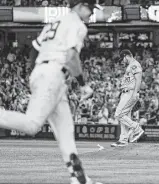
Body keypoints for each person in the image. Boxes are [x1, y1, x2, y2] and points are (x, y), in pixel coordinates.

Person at [0, 1, 104, 184]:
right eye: (90, 9)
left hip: (47, 74)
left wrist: (38, 73)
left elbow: (34, 49)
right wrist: (82, 84)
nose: (91, 14)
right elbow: (71, 57)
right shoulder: (77, 25)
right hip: (53, 75)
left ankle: (79, 179)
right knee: (32, 124)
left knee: (66, 132)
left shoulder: (56, 21)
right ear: (79, 5)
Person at [111, 49, 144, 147]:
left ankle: (137, 128)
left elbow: (139, 79)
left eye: (123, 58)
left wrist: (135, 93)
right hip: (126, 92)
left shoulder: (134, 64)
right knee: (124, 116)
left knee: (119, 114)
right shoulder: (131, 65)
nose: (122, 60)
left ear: (126, 55)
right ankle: (123, 140)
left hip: (130, 93)